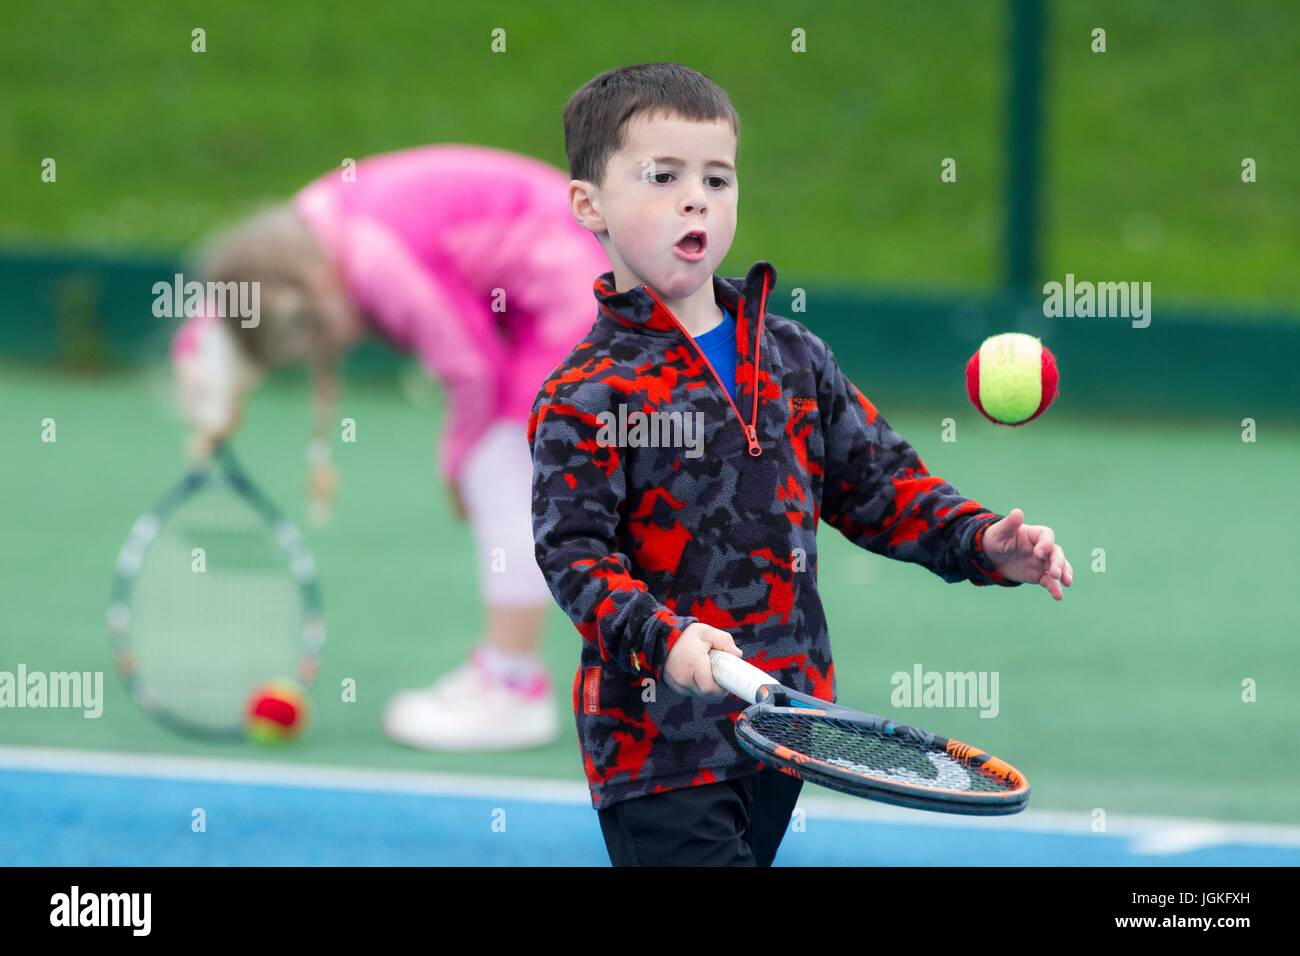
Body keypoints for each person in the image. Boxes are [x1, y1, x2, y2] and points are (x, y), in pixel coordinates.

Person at [528, 63, 1073, 866]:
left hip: (785, 728)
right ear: (588, 205)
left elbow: (880, 484)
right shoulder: (586, 392)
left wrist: (982, 541)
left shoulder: (792, 357)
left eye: (717, 177)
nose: (696, 198)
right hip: (657, 745)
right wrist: (663, 638)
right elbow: (574, 556)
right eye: (663, 176)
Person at [172, 144, 610, 752]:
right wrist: (203, 357)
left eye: (318, 338)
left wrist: (455, 461)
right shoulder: (306, 233)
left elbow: (471, 367)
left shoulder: (377, 262)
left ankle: (513, 690)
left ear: (320, 294)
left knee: (498, 469)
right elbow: (234, 292)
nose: (332, 349)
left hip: (577, 294)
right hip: (573, 272)